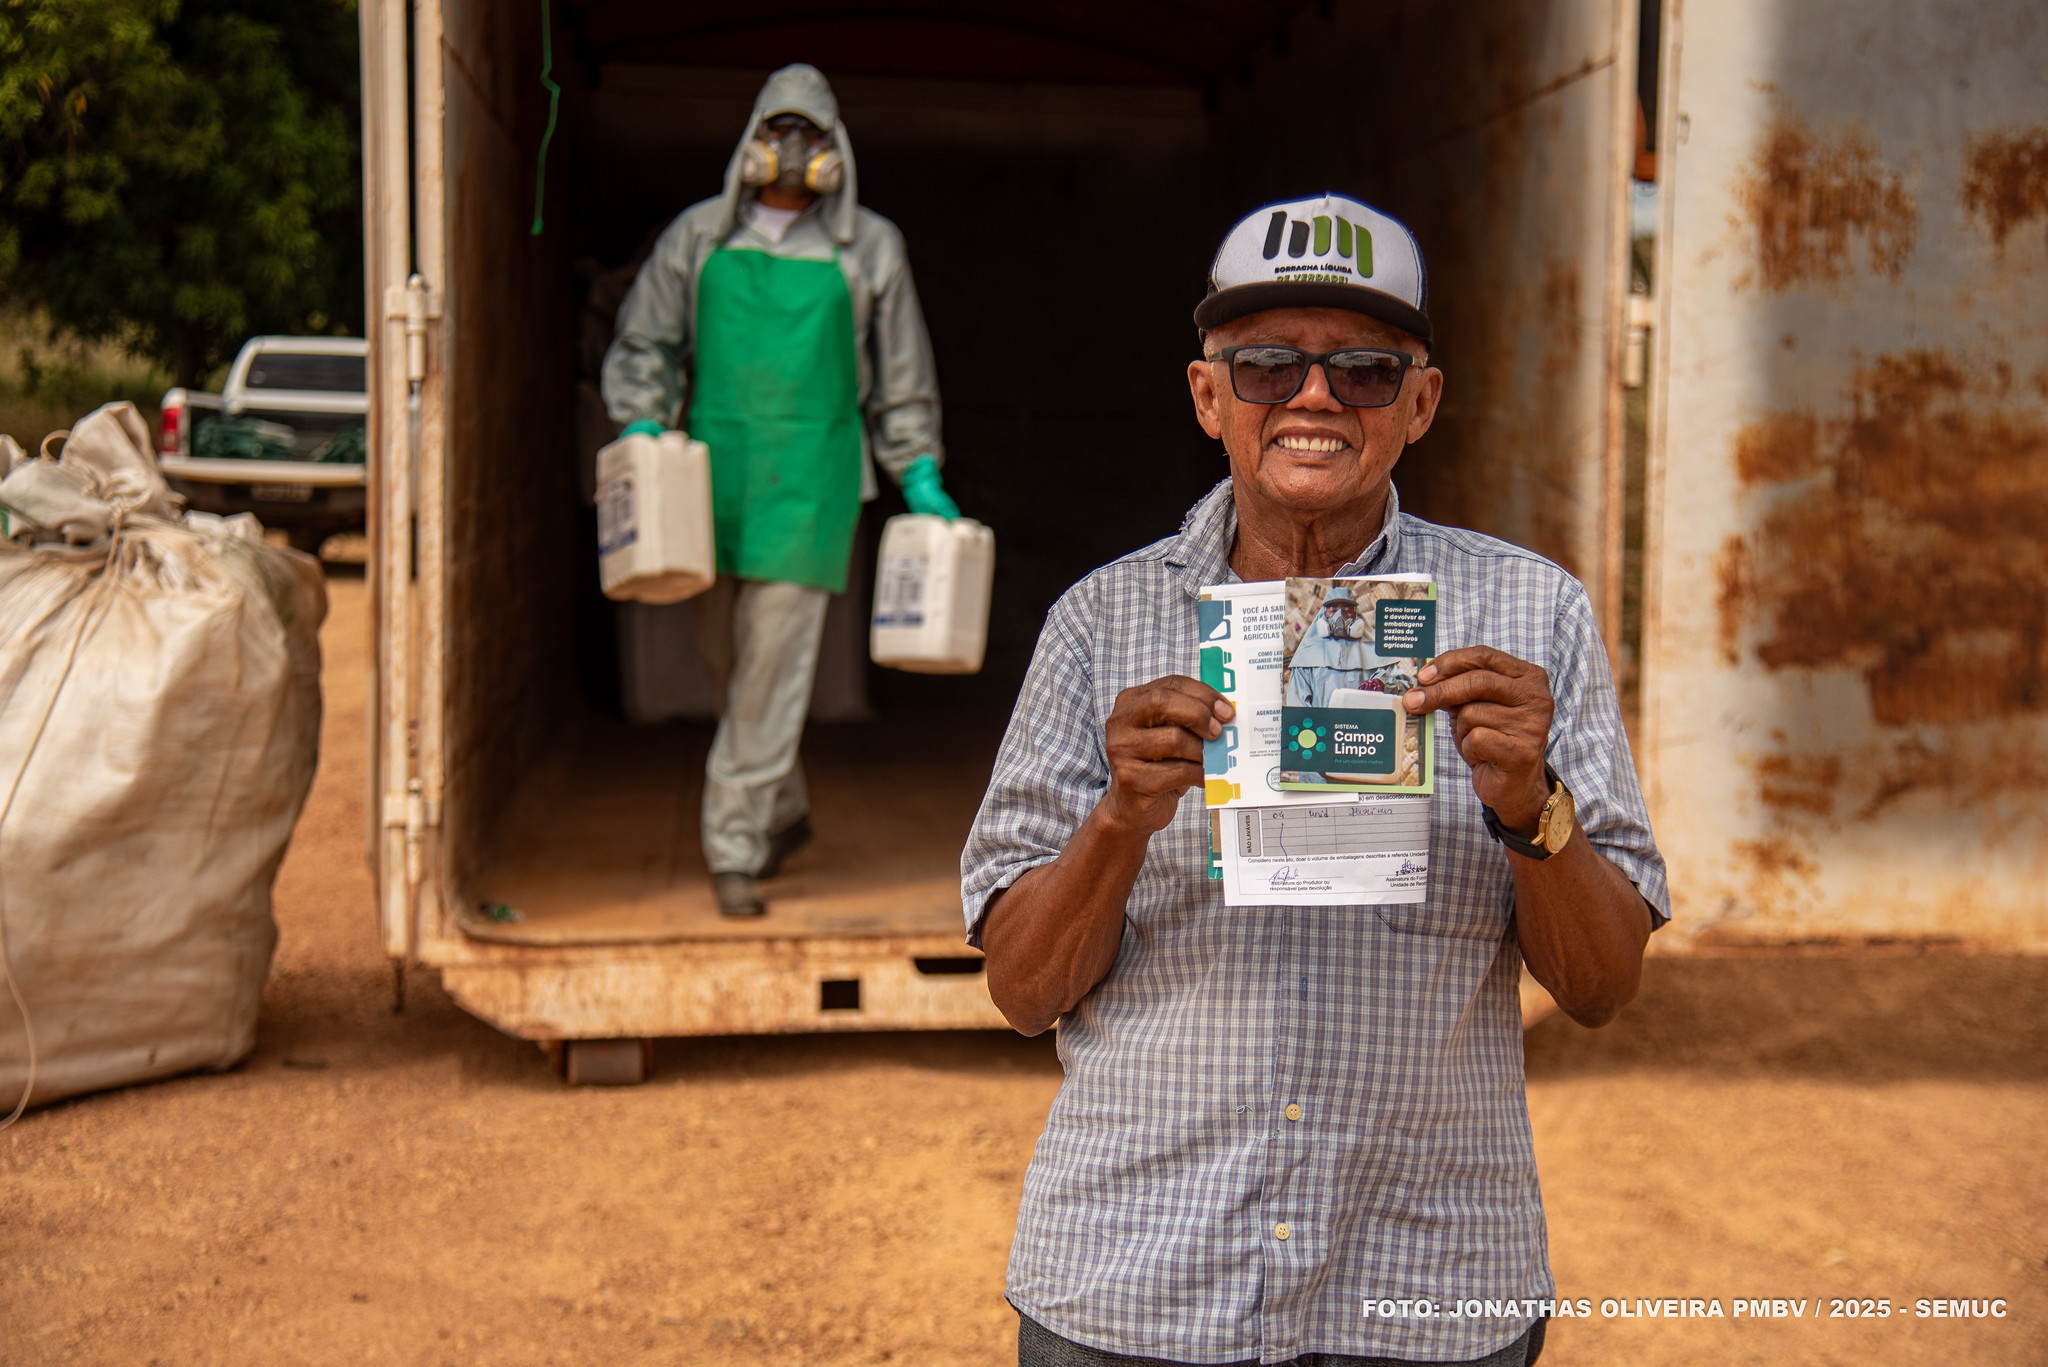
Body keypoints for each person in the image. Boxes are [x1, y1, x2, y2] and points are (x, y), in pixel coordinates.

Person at [962, 193, 1668, 1366]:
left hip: (1426, 1280)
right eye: (1266, 366)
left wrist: (1524, 806)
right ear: (1206, 397)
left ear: (1420, 403)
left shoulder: (1531, 616)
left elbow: (1598, 983)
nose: (1311, 398)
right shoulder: (1101, 622)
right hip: (1138, 1284)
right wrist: (1119, 821)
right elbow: (1023, 988)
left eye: (1363, 371)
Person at [603, 64, 957, 917]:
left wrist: (917, 467)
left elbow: (901, 373)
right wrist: (640, 420)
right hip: (705, 486)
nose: (793, 151)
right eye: (779, 131)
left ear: (836, 149)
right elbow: (645, 342)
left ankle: (732, 845)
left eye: (811, 135)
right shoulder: (697, 238)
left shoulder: (870, 247)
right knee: (731, 665)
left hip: (812, 484)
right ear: (751, 142)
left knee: (770, 669)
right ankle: (784, 810)